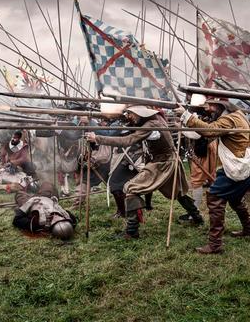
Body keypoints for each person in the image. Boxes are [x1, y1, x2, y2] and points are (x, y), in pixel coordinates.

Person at [85, 105, 203, 239]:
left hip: (163, 163)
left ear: (141, 114)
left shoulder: (151, 124)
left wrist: (98, 138)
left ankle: (132, 231)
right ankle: (197, 217)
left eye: (132, 114)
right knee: (177, 192)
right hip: (167, 161)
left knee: (131, 188)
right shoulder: (155, 121)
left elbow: (127, 140)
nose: (130, 117)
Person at [178, 98, 250, 254]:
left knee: (214, 196)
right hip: (241, 164)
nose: (208, 108)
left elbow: (210, 131)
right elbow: (207, 132)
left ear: (221, 106)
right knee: (235, 198)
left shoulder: (229, 119)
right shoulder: (237, 115)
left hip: (236, 167)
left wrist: (187, 116)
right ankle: (248, 229)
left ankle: (215, 245)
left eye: (211, 105)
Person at [179, 90, 217, 222]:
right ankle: (210, 210)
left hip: (203, 149)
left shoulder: (202, 115)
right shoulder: (203, 114)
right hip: (206, 147)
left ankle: (194, 213)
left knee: (197, 181)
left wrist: (183, 129)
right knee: (209, 179)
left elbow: (197, 134)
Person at [13, 182, 77, 240]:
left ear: (50, 225)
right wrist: (58, 206)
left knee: (19, 194)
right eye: (61, 218)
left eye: (55, 220)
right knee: (47, 184)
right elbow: (73, 221)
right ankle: (35, 189)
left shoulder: (36, 223)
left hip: (30, 202)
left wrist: (28, 203)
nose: (57, 217)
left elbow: (16, 220)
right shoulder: (68, 218)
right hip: (46, 198)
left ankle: (24, 189)